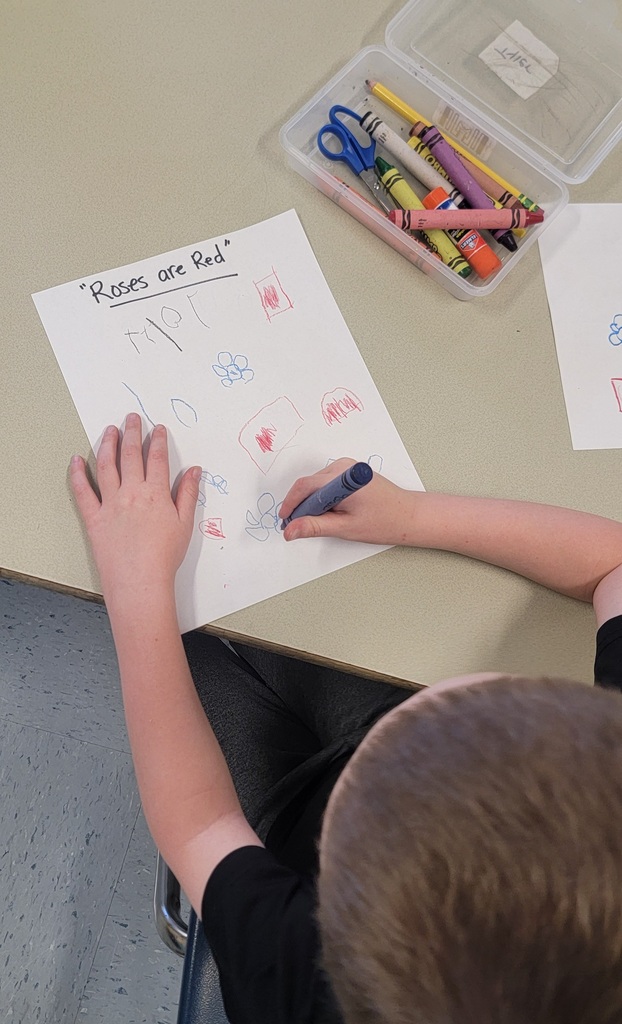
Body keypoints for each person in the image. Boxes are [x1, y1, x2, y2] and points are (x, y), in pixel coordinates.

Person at [70, 413, 622, 1024]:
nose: (428, 697)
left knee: (179, 633)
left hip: (272, 843)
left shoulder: (313, 990)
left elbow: (201, 829)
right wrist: (413, 515)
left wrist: (136, 582)